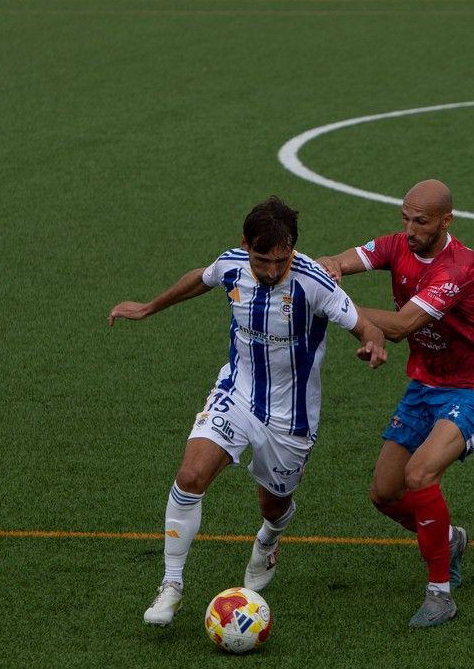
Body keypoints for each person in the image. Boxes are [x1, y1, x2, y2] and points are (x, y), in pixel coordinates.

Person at [109, 197, 388, 627]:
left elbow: (364, 324)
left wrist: (373, 343)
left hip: (291, 420)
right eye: (263, 260)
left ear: (293, 248)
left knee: (273, 506)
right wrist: (149, 307)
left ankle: (268, 540)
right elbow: (200, 279)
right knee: (190, 477)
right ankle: (171, 585)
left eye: (282, 260)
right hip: (236, 394)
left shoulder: (315, 282)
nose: (273, 270)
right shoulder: (232, 264)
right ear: (245, 245)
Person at [315, 180, 474, 629]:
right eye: (405, 218)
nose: (410, 229)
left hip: (472, 388)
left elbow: (401, 326)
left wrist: (329, 304)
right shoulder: (396, 246)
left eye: (421, 221)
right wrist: (325, 269)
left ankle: (440, 593)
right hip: (425, 384)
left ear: (446, 221)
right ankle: (450, 540)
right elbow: (342, 261)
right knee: (385, 492)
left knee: (420, 474)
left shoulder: (458, 268)